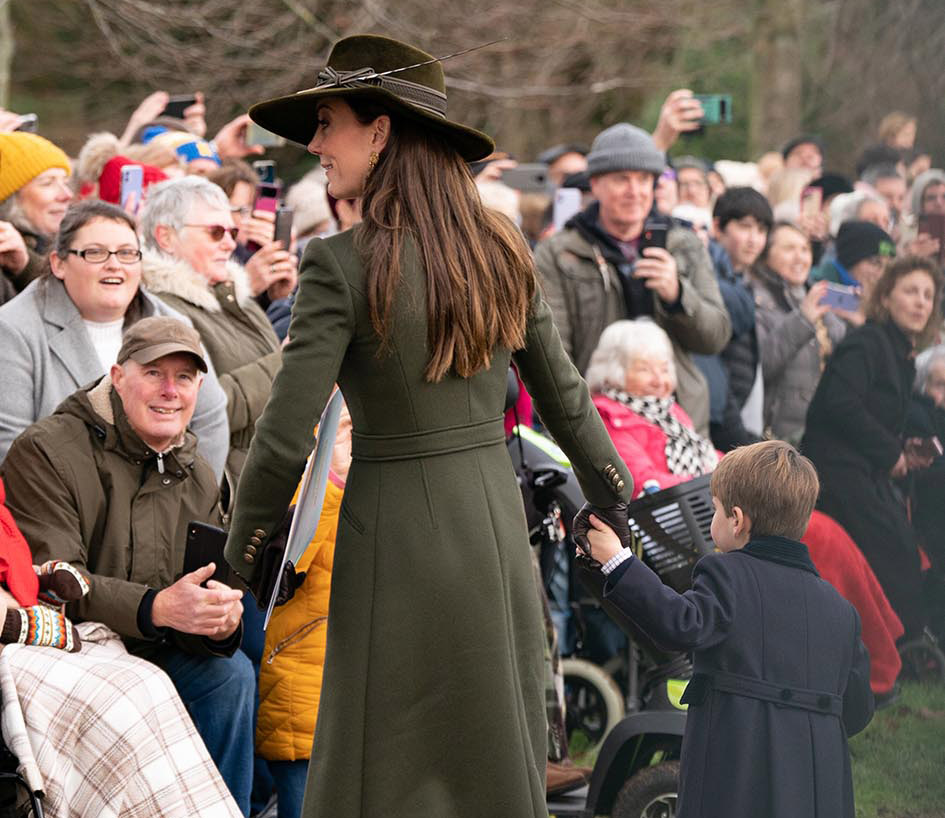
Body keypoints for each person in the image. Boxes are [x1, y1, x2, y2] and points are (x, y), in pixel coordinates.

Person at [222, 34, 635, 818]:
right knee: (488, 757)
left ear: (381, 132)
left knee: (388, 764)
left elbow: (282, 435)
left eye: (328, 122)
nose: (314, 143)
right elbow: (564, 396)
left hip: (395, 538)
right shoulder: (502, 248)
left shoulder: (337, 264)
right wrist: (615, 493)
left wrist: (238, 559)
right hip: (491, 529)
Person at [1, 316, 255, 813]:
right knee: (149, 688)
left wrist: (217, 621)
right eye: (154, 373)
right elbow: (52, 587)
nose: (169, 391)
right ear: (117, 377)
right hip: (72, 652)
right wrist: (159, 607)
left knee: (232, 674)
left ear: (200, 387)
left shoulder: (198, 471)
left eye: (184, 378)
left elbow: (196, 591)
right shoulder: (47, 450)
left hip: (150, 640)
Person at [580, 440, 873, 818]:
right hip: (816, 786)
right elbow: (859, 707)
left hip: (735, 775)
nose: (712, 519)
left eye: (714, 509)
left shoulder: (726, 574)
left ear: (737, 520)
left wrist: (617, 560)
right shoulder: (840, 610)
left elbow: (679, 624)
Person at [0, 199, 229, 478]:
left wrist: (185, 506)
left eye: (127, 253)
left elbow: (211, 420)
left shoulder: (171, 322)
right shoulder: (14, 329)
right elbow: (10, 449)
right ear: (58, 263)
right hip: (59, 511)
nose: (114, 265)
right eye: (95, 253)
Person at [534, 121, 731, 436]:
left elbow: (715, 337)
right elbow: (553, 356)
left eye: (644, 179)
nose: (635, 191)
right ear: (595, 184)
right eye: (621, 179)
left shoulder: (683, 244)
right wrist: (577, 428)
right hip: (599, 425)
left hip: (678, 423)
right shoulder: (559, 253)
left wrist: (678, 295)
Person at [802, 256, 944, 638]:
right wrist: (891, 452)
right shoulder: (869, 342)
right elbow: (838, 404)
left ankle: (902, 643)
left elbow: (870, 414)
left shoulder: (899, 353)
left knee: (905, 543)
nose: (920, 302)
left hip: (865, 470)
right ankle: (893, 646)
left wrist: (902, 448)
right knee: (894, 549)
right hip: (834, 474)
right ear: (886, 297)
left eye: (928, 295)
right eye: (910, 291)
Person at [138, 176, 283, 487]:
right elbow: (199, 409)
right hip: (225, 491)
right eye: (216, 232)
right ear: (166, 237)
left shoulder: (233, 294)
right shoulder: (160, 312)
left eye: (232, 231)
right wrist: (287, 361)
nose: (231, 243)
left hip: (268, 478)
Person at [586, 320, 718, 492]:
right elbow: (641, 482)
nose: (659, 381)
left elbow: (711, 458)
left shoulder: (669, 411)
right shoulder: (606, 416)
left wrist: (733, 471)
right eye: (645, 370)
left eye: (664, 370)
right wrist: (712, 482)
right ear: (613, 371)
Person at [751, 223, 846, 444]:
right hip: (775, 438)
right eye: (789, 249)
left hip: (819, 434)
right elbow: (761, 365)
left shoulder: (813, 296)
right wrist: (803, 319)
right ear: (766, 253)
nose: (800, 257)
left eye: (804, 249)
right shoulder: (756, 298)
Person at [0, 131, 72, 304]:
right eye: (48, 183)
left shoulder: (72, 243)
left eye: (65, 182)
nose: (66, 195)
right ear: (11, 199)